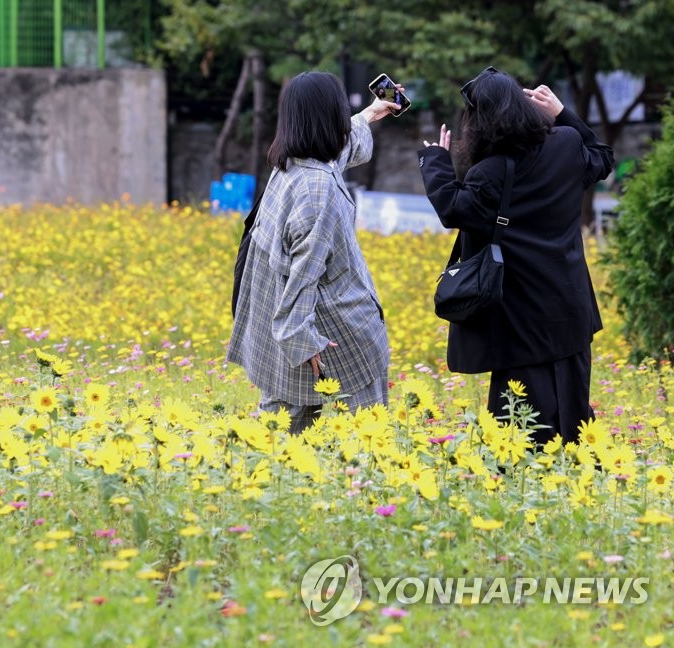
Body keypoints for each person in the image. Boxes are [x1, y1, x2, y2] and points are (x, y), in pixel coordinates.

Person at [417, 67, 614, 445]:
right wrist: (563, 113)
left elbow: (453, 210)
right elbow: (601, 159)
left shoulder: (489, 173)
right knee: (574, 418)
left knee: (520, 428)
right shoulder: (567, 144)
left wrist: (436, 162)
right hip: (570, 305)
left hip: (519, 317)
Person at [227, 71, 401, 434]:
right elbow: (303, 275)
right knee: (369, 439)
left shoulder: (289, 165)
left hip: (287, 333)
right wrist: (302, 341)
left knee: (278, 440)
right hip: (336, 330)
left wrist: (370, 113)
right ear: (332, 115)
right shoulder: (317, 187)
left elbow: (340, 150)